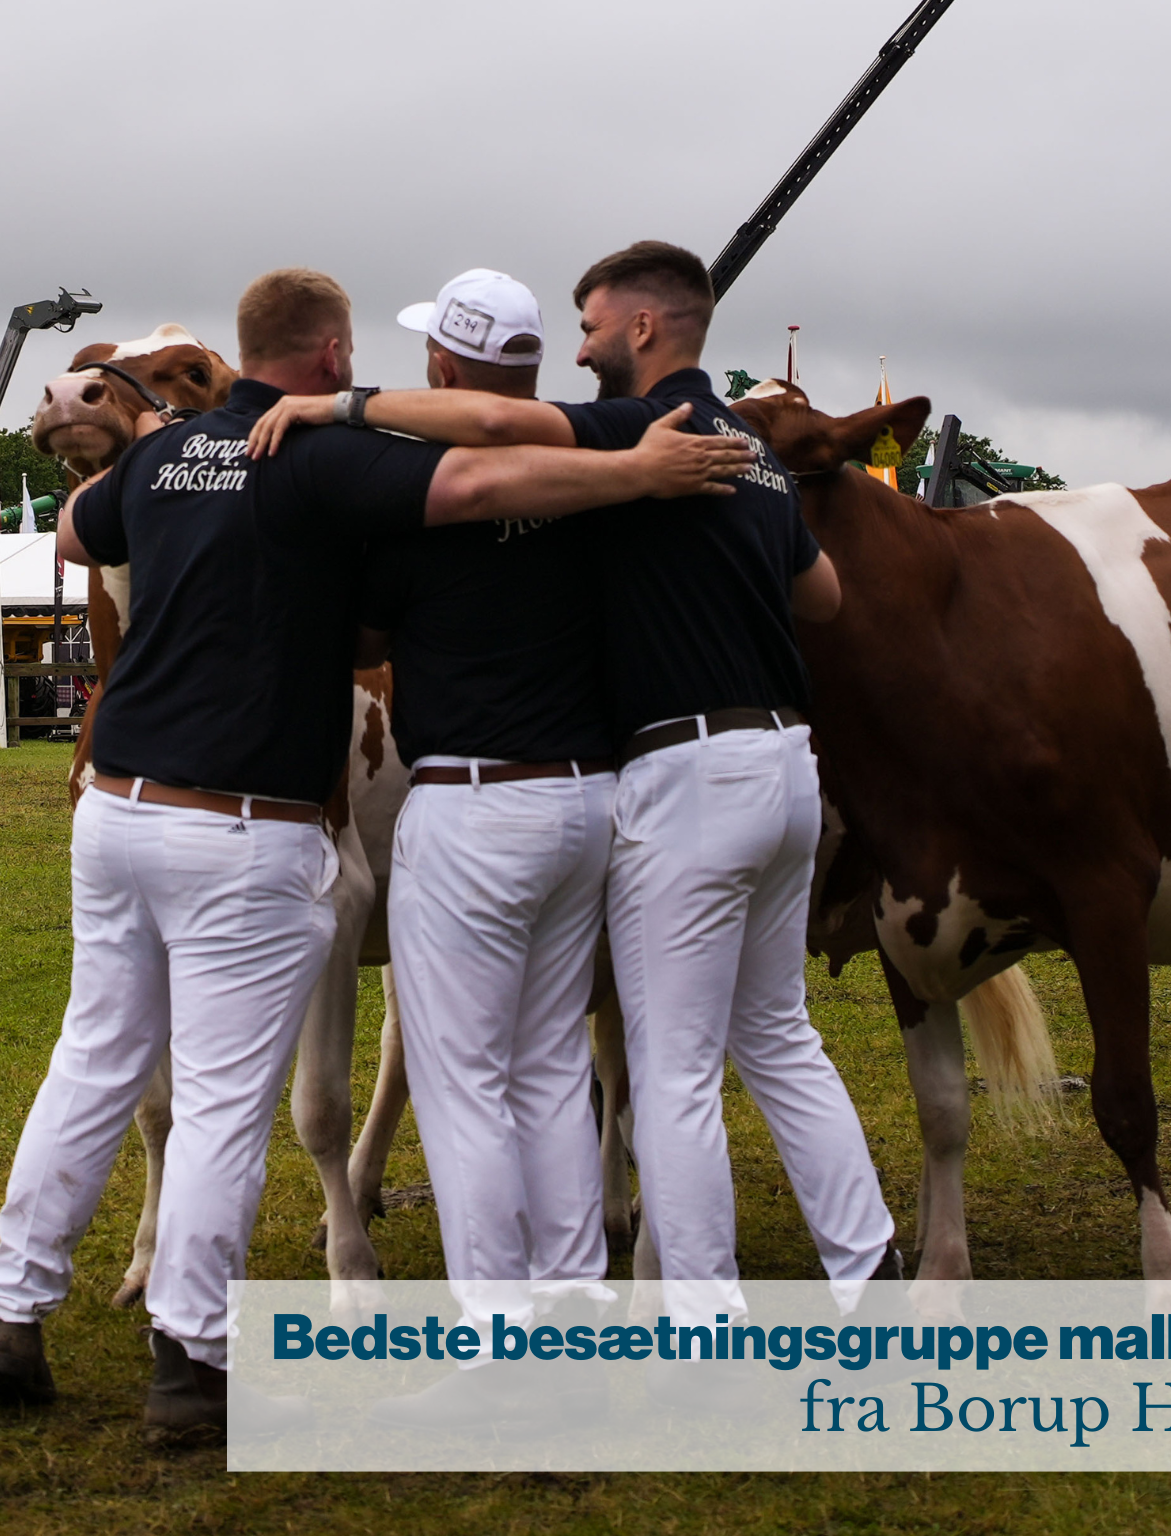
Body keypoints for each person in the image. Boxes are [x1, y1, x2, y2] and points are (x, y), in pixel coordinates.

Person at [0, 266, 753, 1442]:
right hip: (243, 821)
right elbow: (491, 470)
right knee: (229, 1105)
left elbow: (81, 537)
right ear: (334, 355)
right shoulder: (328, 454)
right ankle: (188, 1363)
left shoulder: (159, 457)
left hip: (116, 807)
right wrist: (635, 472)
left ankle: (13, 1310)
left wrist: (156, 456)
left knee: (92, 1059)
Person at [247, 241, 897, 1347]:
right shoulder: (740, 448)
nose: (584, 344)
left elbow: (497, 443)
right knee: (768, 1035)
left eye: (595, 325)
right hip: (776, 765)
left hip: (655, 780)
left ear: (643, 330)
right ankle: (860, 1259)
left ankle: (682, 1319)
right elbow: (825, 600)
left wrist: (340, 406)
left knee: (662, 1067)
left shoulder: (617, 438)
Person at [353, 270, 616, 1428]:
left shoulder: (421, 488)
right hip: (586, 799)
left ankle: (498, 1332)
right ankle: (572, 1305)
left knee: (462, 1084)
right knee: (554, 1065)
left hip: (471, 801)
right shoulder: (598, 478)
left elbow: (358, 632)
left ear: (446, 371)